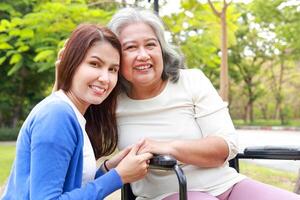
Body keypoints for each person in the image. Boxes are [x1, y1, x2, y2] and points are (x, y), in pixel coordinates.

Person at [107, 7, 300, 200]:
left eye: (150, 45)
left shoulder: (192, 81)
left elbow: (224, 147)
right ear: (116, 56)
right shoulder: (109, 101)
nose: (143, 55)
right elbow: (89, 164)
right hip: (168, 194)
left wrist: (168, 147)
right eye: (130, 47)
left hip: (228, 185)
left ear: (162, 48)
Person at [1, 23, 152, 200]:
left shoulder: (73, 114)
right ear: (72, 63)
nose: (105, 78)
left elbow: (74, 186)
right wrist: (118, 177)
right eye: (95, 64)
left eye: (113, 69)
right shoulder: (57, 115)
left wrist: (109, 169)